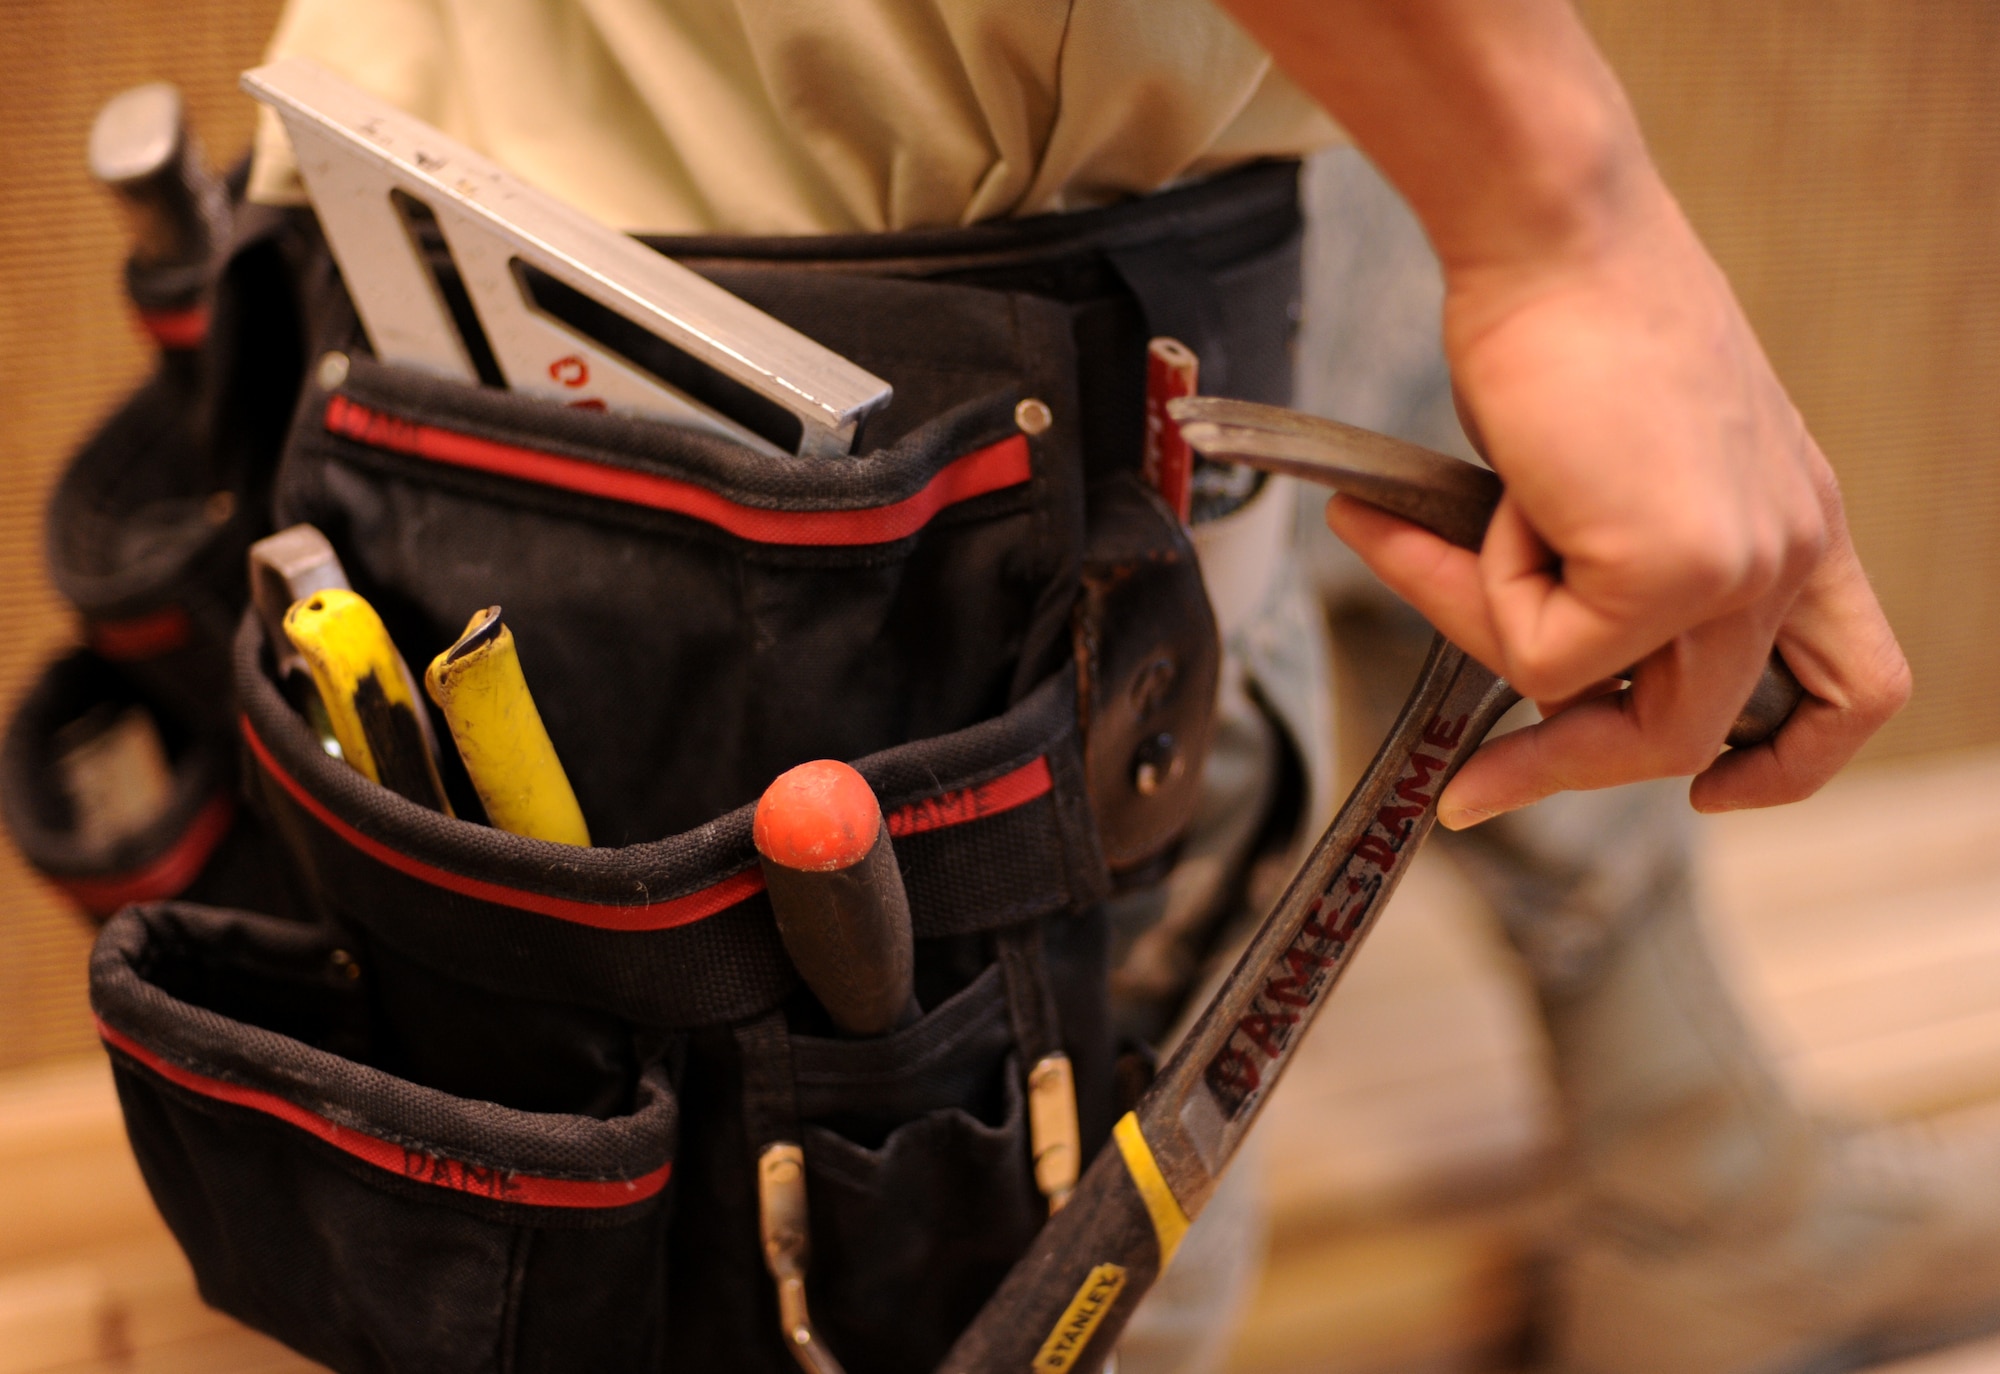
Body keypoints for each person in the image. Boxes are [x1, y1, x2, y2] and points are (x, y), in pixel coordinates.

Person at [239, 2, 1945, 1371]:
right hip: (854, 327)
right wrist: (1571, 226)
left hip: (638, 219)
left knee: (1387, 301)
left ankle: (1696, 1167)